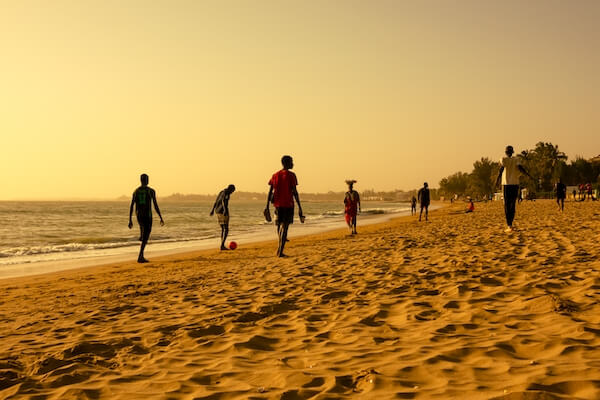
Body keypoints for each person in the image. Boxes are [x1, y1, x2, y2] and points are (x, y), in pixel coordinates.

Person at [265, 155, 304, 257]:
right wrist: (300, 207)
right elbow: (295, 192)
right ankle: (280, 251)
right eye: (291, 162)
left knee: (280, 226)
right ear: (286, 163)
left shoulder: (275, 175)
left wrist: (267, 206)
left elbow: (270, 192)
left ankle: (279, 249)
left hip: (277, 205)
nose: (293, 164)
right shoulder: (291, 175)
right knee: (285, 228)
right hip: (288, 205)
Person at [495, 145, 532, 232]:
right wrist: (528, 175)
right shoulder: (517, 159)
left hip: (506, 184)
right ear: (512, 152)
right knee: (512, 205)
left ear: (505, 152)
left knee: (507, 205)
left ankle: (509, 225)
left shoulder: (503, 159)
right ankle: (511, 224)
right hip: (515, 184)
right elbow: (521, 168)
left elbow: (501, 169)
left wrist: (497, 179)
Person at [128, 174, 164, 263]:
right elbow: (155, 205)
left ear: (140, 180)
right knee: (146, 236)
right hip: (147, 216)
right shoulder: (151, 191)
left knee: (143, 233)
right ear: (147, 180)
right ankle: (140, 256)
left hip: (139, 216)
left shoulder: (135, 191)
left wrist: (130, 220)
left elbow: (132, 205)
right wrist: (160, 216)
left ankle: (141, 235)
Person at [210, 184, 236, 250]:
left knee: (223, 228)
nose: (232, 192)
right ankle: (222, 245)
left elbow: (216, 202)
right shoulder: (227, 193)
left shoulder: (221, 192)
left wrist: (212, 210)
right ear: (230, 189)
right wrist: (225, 210)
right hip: (223, 212)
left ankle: (222, 244)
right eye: (233, 191)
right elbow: (223, 201)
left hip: (217, 211)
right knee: (226, 229)